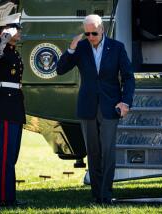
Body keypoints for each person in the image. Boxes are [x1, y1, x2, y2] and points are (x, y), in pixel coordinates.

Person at [57, 14, 135, 204]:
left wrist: (126, 102)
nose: (90, 37)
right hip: (87, 107)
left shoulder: (117, 47)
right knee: (92, 152)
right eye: (87, 33)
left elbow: (128, 77)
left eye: (94, 33)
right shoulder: (81, 47)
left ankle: (106, 194)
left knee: (108, 151)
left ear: (102, 30)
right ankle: (96, 194)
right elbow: (60, 69)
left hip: (111, 107)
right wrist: (70, 49)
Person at [0, 13, 26, 207]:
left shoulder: (13, 51)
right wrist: (5, 35)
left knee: (12, 153)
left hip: (15, 105)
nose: (19, 31)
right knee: (6, 154)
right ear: (5, 31)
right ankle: (3, 198)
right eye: (15, 28)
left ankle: (9, 195)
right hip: (5, 106)